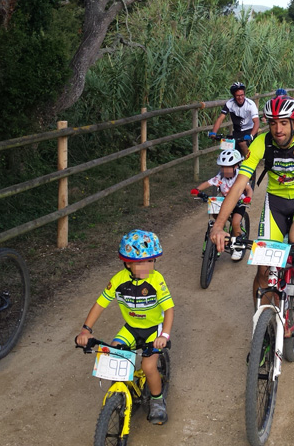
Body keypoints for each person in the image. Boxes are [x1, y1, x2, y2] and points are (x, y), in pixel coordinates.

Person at [210, 96, 294, 316]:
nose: (277, 129)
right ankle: (262, 328)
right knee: (263, 271)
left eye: (283, 122)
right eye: (272, 123)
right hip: (275, 204)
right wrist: (219, 225)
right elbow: (239, 184)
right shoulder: (261, 143)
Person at [75, 230, 175, 425]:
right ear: (127, 263)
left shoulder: (156, 279)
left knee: (148, 365)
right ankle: (120, 393)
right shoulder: (119, 280)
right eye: (140, 262)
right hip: (131, 327)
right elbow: (100, 304)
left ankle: (157, 400)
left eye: (151, 261)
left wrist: (164, 335)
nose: (147, 266)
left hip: (153, 329)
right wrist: (86, 329)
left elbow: (169, 309)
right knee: (113, 353)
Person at [191, 149, 253, 261]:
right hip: (225, 203)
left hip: (239, 202)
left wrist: (248, 197)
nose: (225, 170)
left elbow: (248, 189)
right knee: (215, 214)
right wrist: (197, 190)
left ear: (236, 166)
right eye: (223, 167)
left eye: (228, 167)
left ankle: (238, 247)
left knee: (235, 222)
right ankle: (221, 229)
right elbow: (208, 183)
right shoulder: (220, 176)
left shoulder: (240, 176)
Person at [211, 82, 260, 160]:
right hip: (237, 131)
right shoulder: (229, 103)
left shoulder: (250, 104)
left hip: (250, 130)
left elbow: (257, 122)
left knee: (242, 143)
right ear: (234, 96)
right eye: (238, 95)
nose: (240, 98)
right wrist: (214, 132)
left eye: (242, 95)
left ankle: (248, 163)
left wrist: (251, 135)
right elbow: (220, 119)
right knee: (229, 149)